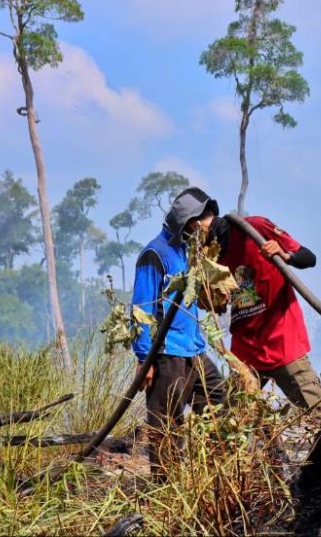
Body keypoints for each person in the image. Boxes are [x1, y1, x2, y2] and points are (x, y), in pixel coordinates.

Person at [131, 187, 228, 476]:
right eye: (201, 221)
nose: (203, 228)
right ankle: (166, 486)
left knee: (218, 403)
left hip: (194, 350)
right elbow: (141, 307)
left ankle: (217, 475)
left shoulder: (187, 252)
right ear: (188, 222)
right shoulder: (154, 254)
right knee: (166, 425)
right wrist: (144, 358)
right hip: (166, 354)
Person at [206, 212, 321, 410]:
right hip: (246, 354)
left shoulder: (255, 227)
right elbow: (214, 302)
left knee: (320, 416)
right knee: (228, 422)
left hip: (283, 344)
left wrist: (285, 255)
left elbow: (308, 258)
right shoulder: (208, 256)